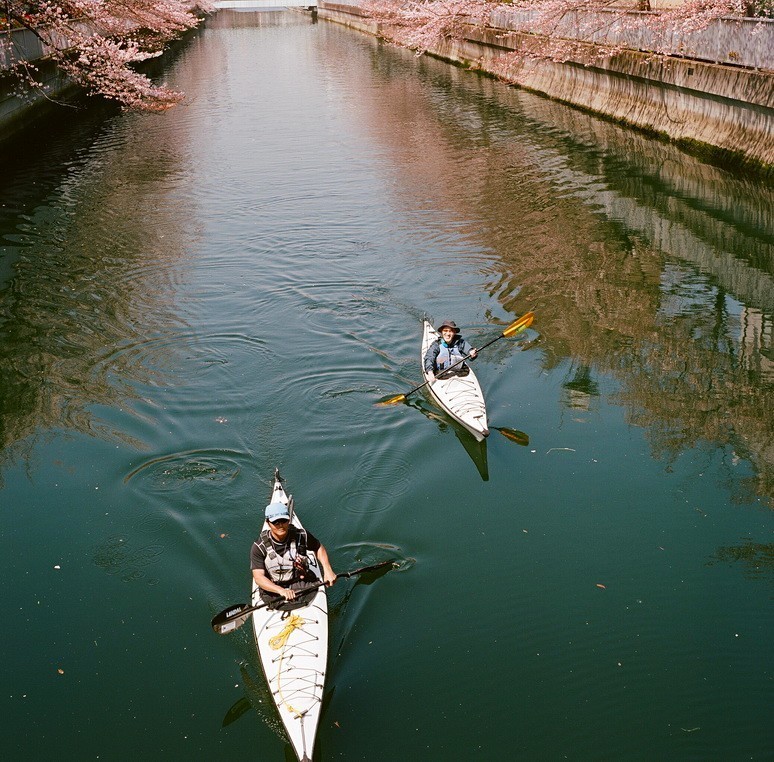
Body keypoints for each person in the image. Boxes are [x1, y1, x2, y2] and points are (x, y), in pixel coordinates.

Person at [251, 502, 337, 608]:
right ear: (268, 523)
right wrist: (281, 591)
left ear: (289, 520)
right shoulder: (259, 547)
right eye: (276, 522)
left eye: (284, 520)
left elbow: (318, 548)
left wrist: (327, 570)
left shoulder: (302, 535)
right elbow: (258, 577)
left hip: (301, 581)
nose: (281, 525)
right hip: (275, 587)